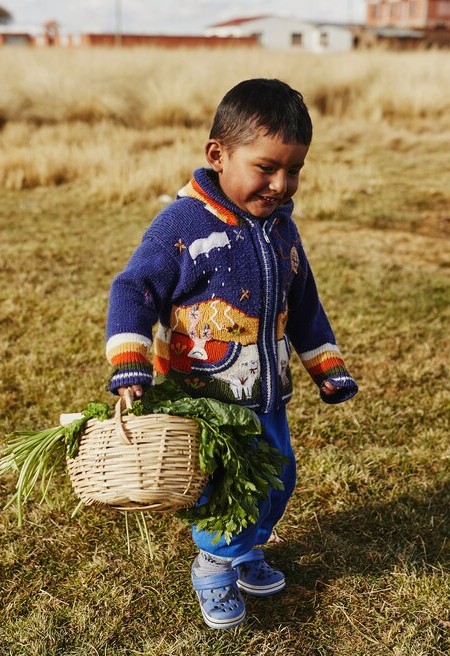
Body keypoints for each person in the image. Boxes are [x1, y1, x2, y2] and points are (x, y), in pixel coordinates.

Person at [104, 78, 358, 630]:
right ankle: (215, 568)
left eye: (294, 171)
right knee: (226, 490)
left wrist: (326, 365)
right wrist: (131, 360)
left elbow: (304, 300)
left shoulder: (281, 229)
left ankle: (245, 551)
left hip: (266, 393)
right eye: (266, 168)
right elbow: (132, 290)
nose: (281, 184)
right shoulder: (183, 226)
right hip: (208, 401)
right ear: (217, 155)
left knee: (278, 477)